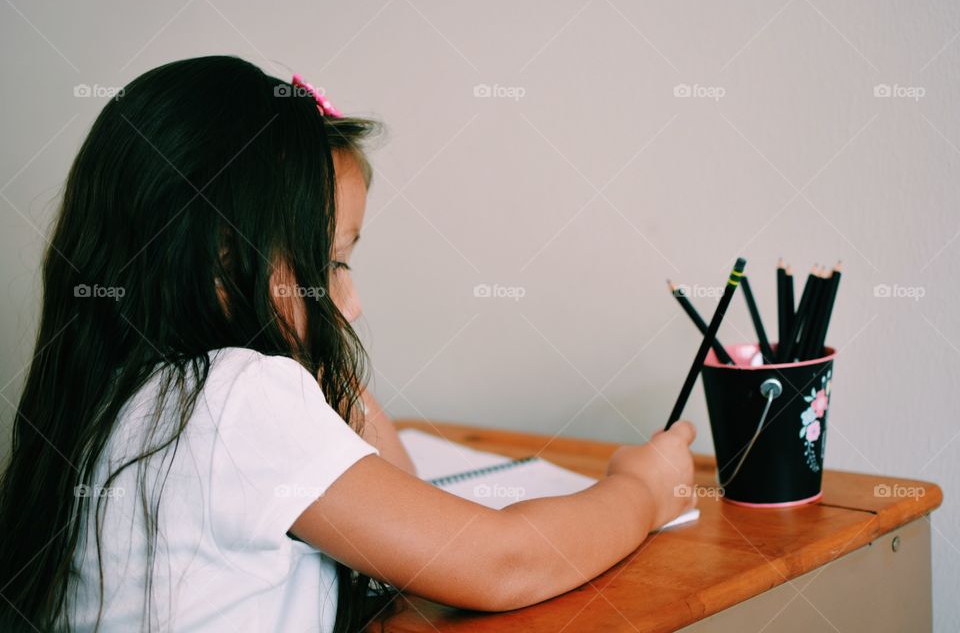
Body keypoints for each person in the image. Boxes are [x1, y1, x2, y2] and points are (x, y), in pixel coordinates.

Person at [0, 55, 696, 633]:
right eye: (332, 262)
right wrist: (639, 490)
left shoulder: (119, 395)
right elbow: (500, 564)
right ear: (221, 260)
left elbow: (403, 507)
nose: (352, 303)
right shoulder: (230, 397)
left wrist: (316, 352)